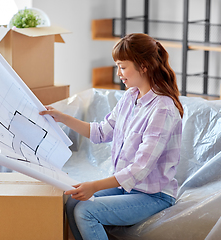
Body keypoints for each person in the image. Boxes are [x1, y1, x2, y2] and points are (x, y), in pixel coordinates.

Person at [39, 33, 184, 240]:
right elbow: (100, 132)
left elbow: (140, 169)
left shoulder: (162, 109)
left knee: (85, 211)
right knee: (73, 202)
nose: (119, 73)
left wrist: (94, 186)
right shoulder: (130, 96)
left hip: (154, 195)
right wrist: (62, 117)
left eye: (122, 67)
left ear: (143, 66)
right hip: (127, 189)